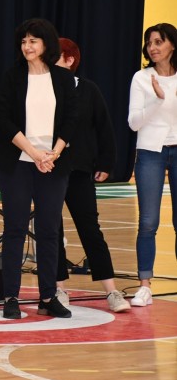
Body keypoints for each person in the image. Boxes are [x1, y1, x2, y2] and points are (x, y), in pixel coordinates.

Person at [0, 18, 78, 319]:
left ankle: (47, 296)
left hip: (53, 163)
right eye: (23, 41)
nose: (27, 46)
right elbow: (4, 120)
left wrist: (53, 154)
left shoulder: (63, 78)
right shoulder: (12, 76)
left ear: (46, 44)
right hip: (18, 162)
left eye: (33, 41)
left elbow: (72, 120)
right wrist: (33, 153)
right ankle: (10, 297)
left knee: (49, 230)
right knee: (15, 228)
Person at [53, 38, 131, 313]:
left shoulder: (89, 90)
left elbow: (104, 129)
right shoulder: (43, 91)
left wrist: (106, 163)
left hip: (80, 170)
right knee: (52, 231)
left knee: (90, 229)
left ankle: (111, 291)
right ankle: (58, 289)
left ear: (70, 60)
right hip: (49, 170)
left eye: (55, 55)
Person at [127, 22, 177, 308]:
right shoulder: (142, 78)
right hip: (150, 152)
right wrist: (157, 100)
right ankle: (144, 285)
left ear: (172, 45)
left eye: (159, 42)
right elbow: (133, 123)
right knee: (148, 222)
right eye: (149, 43)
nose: (153, 48)